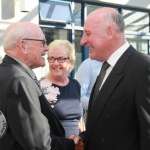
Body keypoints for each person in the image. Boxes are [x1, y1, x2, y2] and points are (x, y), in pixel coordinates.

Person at [73, 7, 150, 150]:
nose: (82, 41)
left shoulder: (144, 68)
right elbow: (108, 122)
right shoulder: (105, 66)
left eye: (88, 33)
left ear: (110, 32)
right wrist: (84, 138)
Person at [0, 22, 84, 150]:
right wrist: (71, 145)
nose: (46, 48)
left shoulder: (7, 73)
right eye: (42, 43)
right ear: (23, 45)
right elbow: (39, 143)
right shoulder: (20, 80)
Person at [39, 39, 84, 138]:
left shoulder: (75, 84)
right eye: (51, 58)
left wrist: (82, 139)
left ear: (70, 62)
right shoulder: (40, 87)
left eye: (60, 59)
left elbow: (79, 119)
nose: (55, 63)